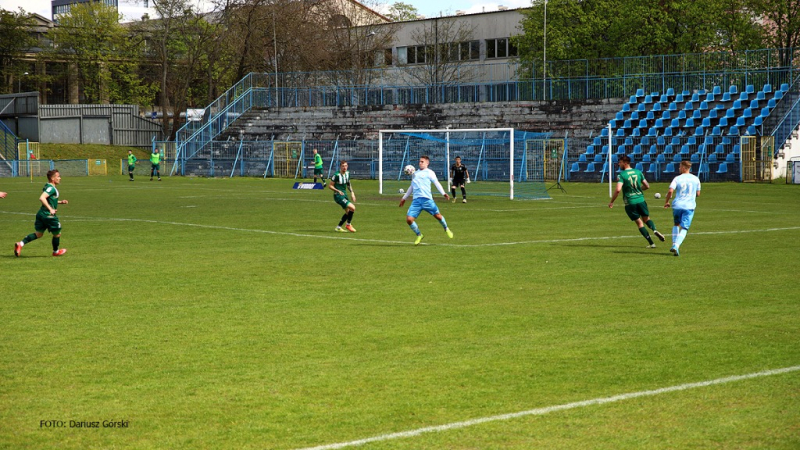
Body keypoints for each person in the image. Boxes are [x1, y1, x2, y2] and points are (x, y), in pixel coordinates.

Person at [608, 155, 665, 248]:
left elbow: (618, 190)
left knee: (639, 223)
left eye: (620, 162)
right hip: (641, 200)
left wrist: (612, 202)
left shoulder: (622, 175)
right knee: (646, 219)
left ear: (625, 163)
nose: (618, 164)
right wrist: (639, 190)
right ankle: (654, 230)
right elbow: (647, 186)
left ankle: (652, 243)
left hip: (630, 202)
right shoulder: (638, 172)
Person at [399, 155, 453, 245]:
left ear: (427, 163)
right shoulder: (414, 174)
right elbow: (412, 187)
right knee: (409, 219)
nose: (420, 163)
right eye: (419, 161)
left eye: (422, 161)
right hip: (416, 201)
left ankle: (446, 228)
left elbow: (437, 183)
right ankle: (419, 235)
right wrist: (404, 198)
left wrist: (443, 193)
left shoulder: (430, 173)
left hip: (427, 200)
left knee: (438, 216)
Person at [14, 169, 68, 257]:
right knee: (57, 234)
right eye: (58, 176)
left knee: (39, 234)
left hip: (41, 214)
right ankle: (56, 251)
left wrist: (60, 202)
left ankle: (20, 244)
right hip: (48, 215)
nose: (60, 178)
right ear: (52, 178)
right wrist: (51, 209)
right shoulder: (51, 188)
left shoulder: (48, 186)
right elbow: (42, 198)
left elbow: (49, 199)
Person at [663, 160, 701, 256]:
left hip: (677, 205)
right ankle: (676, 245)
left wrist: (667, 201)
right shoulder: (696, 179)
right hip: (689, 206)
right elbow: (698, 194)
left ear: (684, 168)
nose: (679, 168)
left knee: (676, 224)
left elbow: (670, 191)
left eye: (680, 167)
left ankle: (674, 244)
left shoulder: (677, 178)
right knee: (684, 228)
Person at [329, 160, 356, 232]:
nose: (344, 167)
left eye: (346, 166)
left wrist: (352, 192)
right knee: (353, 208)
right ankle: (348, 224)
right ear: (340, 167)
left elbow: (348, 184)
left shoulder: (348, 174)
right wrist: (338, 191)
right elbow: (330, 186)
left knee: (348, 212)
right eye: (343, 166)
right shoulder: (336, 175)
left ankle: (338, 227)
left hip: (344, 195)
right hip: (338, 196)